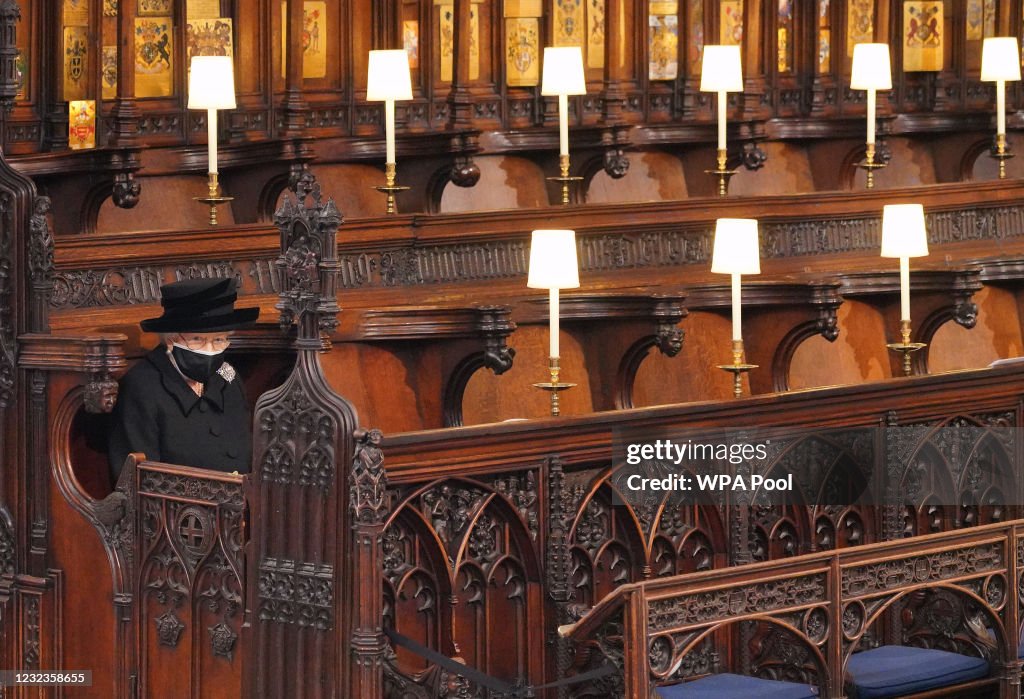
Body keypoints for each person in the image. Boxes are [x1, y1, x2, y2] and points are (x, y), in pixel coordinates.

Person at [108, 277, 260, 480]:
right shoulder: (142, 387)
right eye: (197, 339)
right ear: (171, 339)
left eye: (218, 340)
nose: (210, 350)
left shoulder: (228, 376)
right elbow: (139, 480)